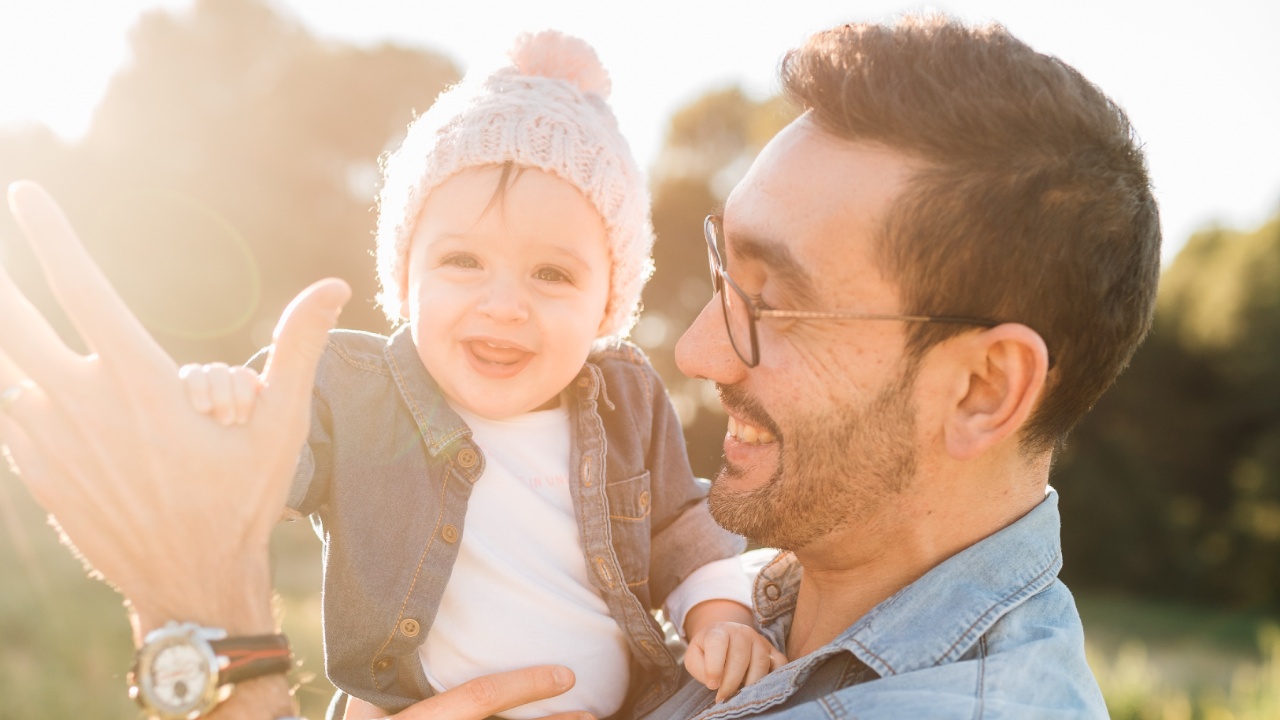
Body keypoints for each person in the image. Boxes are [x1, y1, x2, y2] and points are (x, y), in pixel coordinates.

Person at [0, 13, 1159, 720]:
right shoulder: (783, 588)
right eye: (718, 276)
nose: (696, 351)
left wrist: (207, 627)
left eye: (776, 303)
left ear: (980, 389)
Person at [177, 30, 775, 720]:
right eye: (463, 261)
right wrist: (221, 415)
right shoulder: (352, 390)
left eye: (552, 274)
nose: (503, 306)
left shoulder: (625, 399)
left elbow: (681, 530)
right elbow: (256, 477)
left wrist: (722, 620)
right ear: (406, 277)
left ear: (607, 305)